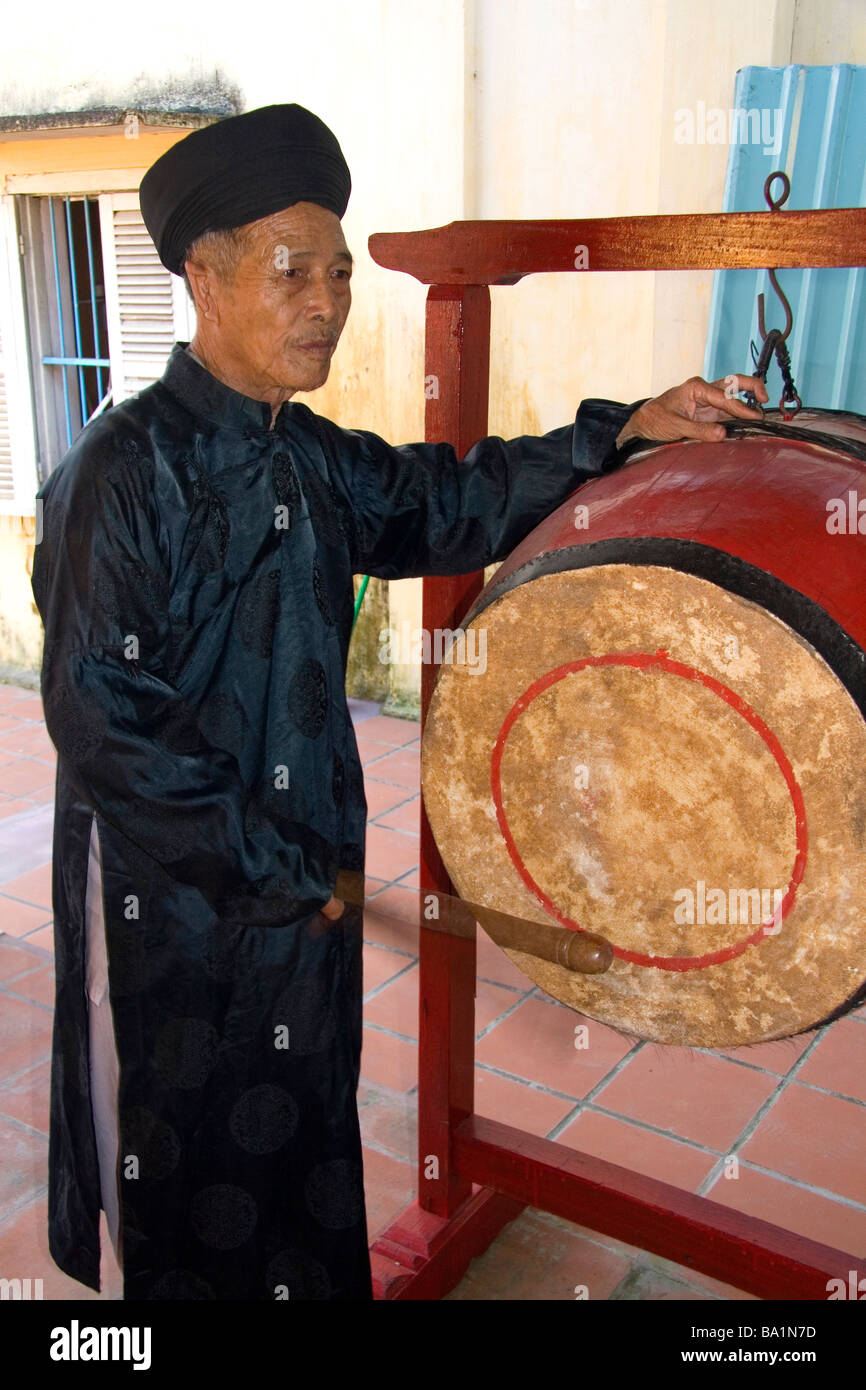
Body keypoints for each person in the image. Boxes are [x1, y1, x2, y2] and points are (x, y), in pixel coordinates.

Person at [30, 103, 768, 1302]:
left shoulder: (309, 456)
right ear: (202, 278)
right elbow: (103, 719)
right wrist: (262, 862)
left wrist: (616, 436)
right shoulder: (119, 474)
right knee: (197, 1186)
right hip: (179, 921)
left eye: (336, 272)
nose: (324, 299)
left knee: (308, 1157)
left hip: (303, 895)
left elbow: (445, 497)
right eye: (290, 271)